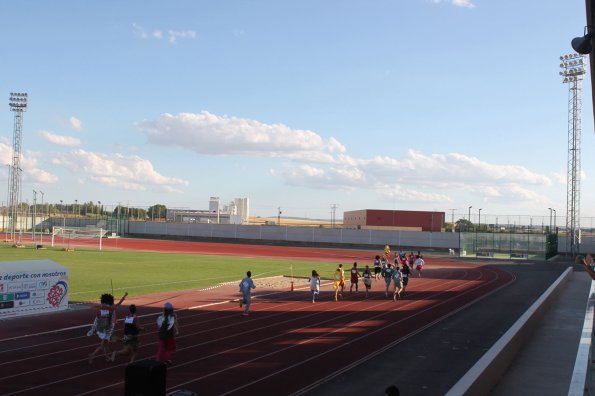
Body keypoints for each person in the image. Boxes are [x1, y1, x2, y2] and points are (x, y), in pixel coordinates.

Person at [87, 292, 128, 364]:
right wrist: (124, 295)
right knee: (104, 344)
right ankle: (92, 355)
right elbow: (119, 303)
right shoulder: (111, 308)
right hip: (108, 329)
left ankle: (106, 356)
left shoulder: (102, 308)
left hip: (102, 329)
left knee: (105, 345)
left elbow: (95, 308)